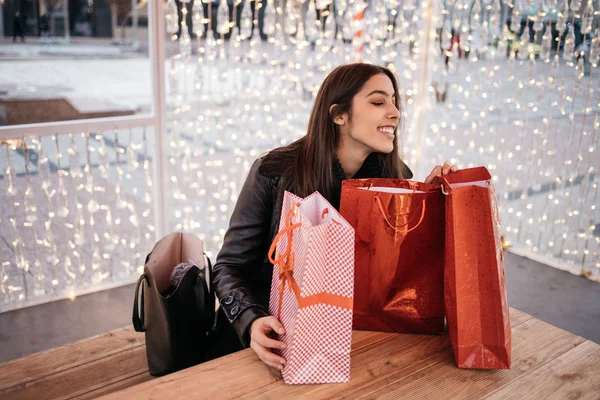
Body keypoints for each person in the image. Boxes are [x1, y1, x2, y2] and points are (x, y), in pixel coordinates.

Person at [211, 63, 457, 370]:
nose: (395, 112)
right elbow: (229, 267)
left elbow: (393, 276)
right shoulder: (273, 171)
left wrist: (424, 204)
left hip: (352, 340)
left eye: (395, 102)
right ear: (339, 115)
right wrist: (252, 320)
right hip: (273, 340)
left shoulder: (397, 177)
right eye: (379, 102)